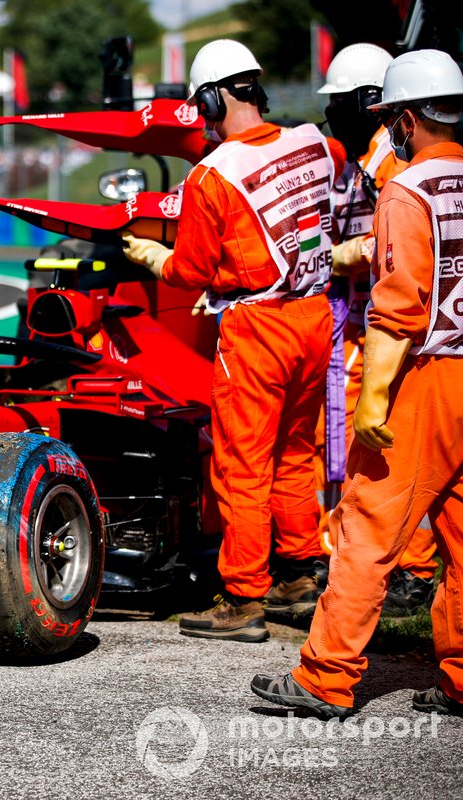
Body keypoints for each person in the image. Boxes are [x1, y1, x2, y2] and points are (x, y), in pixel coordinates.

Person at [251, 48, 463, 720]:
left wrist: (374, 397)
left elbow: (398, 306)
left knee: (366, 531)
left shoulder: (408, 189)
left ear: (404, 119)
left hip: (425, 377)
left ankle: (325, 678)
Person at [122, 39, 336, 642]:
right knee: (297, 452)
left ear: (212, 97)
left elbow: (190, 270)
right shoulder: (314, 144)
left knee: (242, 465)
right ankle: (301, 577)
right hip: (314, 316)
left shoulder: (211, 176)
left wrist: (156, 257)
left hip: (258, 326)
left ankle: (244, 597)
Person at [319, 43, 436, 617]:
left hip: (399, 330)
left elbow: (407, 241)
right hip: (401, 326)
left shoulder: (394, 161)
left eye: (340, 103)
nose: (330, 114)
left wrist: (357, 252)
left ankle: (407, 572)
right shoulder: (369, 158)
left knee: (383, 464)